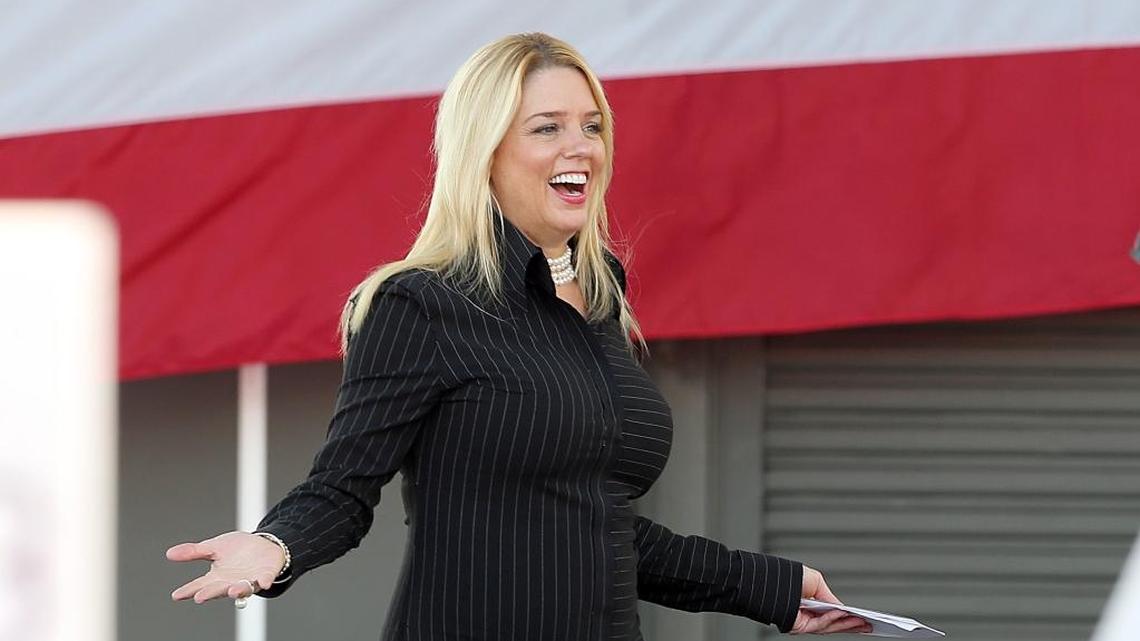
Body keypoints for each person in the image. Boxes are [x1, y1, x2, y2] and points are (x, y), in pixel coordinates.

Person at [167, 32, 871, 639]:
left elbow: (600, 526)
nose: (581, 148)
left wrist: (774, 589)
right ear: (487, 151)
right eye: (547, 128)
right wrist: (274, 544)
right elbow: (342, 490)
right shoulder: (421, 303)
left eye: (592, 126)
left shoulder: (599, 300)